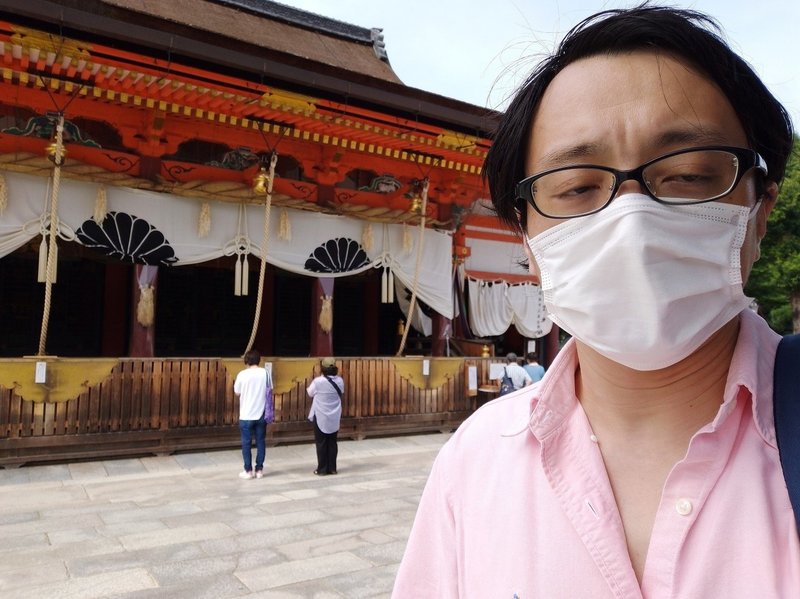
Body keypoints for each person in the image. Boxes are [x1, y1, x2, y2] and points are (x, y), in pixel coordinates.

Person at [393, 5, 798, 597]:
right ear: (528, 242)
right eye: (578, 187)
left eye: (686, 174)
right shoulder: (473, 465)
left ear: (760, 211)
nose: (631, 219)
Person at [233, 349, 268, 480]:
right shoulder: (265, 373)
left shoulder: (242, 374)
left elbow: (237, 392)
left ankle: (248, 470)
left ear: (246, 361)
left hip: (246, 414)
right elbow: (270, 390)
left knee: (246, 443)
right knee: (261, 442)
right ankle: (259, 470)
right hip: (261, 413)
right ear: (259, 360)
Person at [307, 357, 343, 475]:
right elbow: (341, 392)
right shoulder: (340, 381)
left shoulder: (318, 381)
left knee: (321, 442)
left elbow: (310, 392)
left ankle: (322, 469)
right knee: (332, 442)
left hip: (321, 414)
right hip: (334, 415)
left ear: (323, 368)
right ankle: (332, 468)